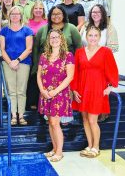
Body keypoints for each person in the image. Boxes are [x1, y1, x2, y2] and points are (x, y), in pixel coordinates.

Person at [71, 26, 119, 158]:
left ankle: (96, 147)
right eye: (90, 35)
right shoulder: (80, 52)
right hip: (82, 89)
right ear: (86, 37)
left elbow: (113, 70)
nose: (93, 38)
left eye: (95, 36)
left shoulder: (105, 51)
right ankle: (90, 145)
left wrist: (110, 86)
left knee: (93, 120)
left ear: (99, 37)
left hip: (97, 89)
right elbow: (76, 72)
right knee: (85, 119)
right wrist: (74, 89)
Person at [37, 29, 74, 162]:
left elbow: (70, 77)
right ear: (48, 40)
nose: (54, 39)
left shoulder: (68, 56)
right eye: (52, 37)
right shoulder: (44, 56)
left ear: (62, 39)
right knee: (50, 123)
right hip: (46, 93)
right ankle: (54, 148)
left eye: (57, 37)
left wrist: (55, 91)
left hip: (60, 94)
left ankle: (59, 152)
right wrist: (42, 90)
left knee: (55, 122)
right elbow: (38, 75)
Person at [81, 4, 119, 122]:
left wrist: (99, 54)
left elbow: (113, 46)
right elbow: (80, 42)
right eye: (93, 12)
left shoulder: (109, 27)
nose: (95, 14)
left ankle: (101, 113)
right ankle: (87, 110)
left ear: (103, 14)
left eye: (98, 12)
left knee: (100, 88)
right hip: (86, 61)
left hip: (101, 62)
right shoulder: (86, 26)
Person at [0, 6, 33, 126]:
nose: (14, 16)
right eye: (12, 14)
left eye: (17, 14)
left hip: (23, 63)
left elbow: (29, 49)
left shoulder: (27, 30)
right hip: (7, 63)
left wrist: (17, 60)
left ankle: (21, 115)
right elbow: (2, 49)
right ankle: (13, 116)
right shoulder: (4, 30)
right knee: (11, 91)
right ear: (9, 16)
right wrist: (10, 62)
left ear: (21, 15)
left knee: (21, 91)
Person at [32, 5, 82, 82]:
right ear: (50, 16)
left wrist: (76, 66)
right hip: (45, 69)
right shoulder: (42, 29)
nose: (56, 16)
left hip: (66, 68)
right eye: (53, 14)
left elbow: (79, 48)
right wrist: (36, 66)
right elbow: (35, 48)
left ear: (64, 15)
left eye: (59, 14)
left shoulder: (72, 28)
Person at [25, 0, 48, 110]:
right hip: (29, 52)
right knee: (31, 76)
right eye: (36, 8)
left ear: (43, 10)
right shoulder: (27, 23)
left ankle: (42, 100)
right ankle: (32, 101)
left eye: (40, 8)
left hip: (42, 53)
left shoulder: (47, 23)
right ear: (32, 10)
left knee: (42, 76)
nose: (38, 10)